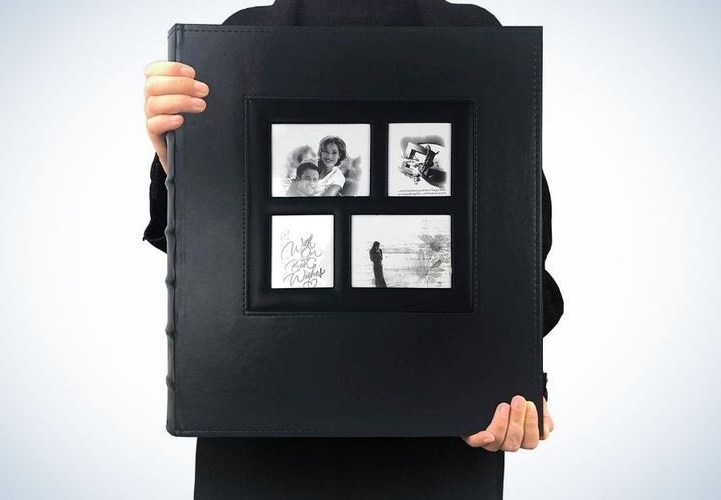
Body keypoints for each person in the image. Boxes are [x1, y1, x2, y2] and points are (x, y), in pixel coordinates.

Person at [143, 1, 563, 498]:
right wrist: (180, 161)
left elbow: (510, 249)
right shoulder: (241, 38)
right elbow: (216, 256)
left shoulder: (471, 36)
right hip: (262, 441)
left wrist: (506, 381)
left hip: (436, 441)